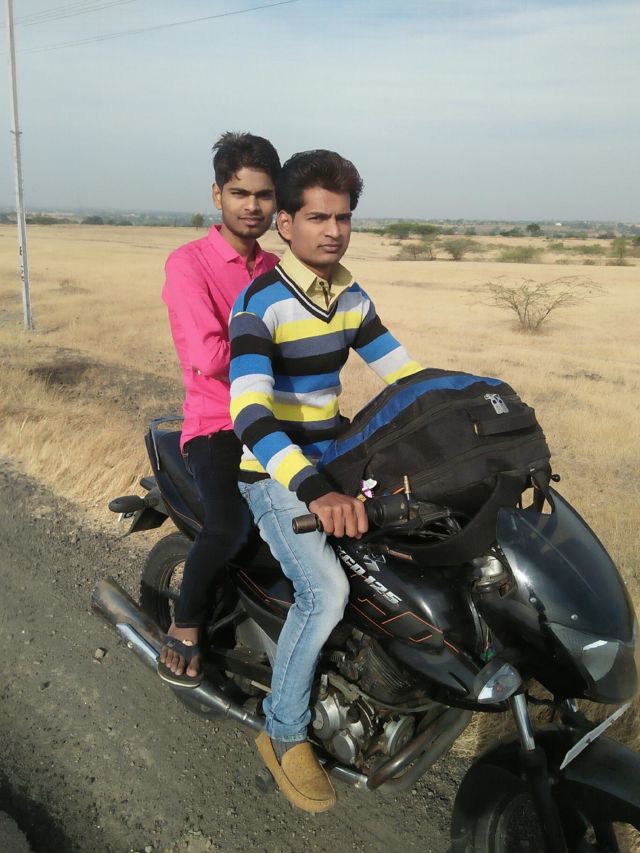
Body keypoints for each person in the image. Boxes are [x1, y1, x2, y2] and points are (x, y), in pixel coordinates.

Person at [228, 150, 421, 812]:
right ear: (284, 223)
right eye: (317, 217)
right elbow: (249, 414)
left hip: (336, 457)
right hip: (276, 470)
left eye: (343, 218)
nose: (333, 231)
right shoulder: (260, 304)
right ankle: (283, 732)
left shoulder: (350, 297)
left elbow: (407, 376)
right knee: (326, 590)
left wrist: (466, 411)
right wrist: (313, 488)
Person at [158, 132, 281, 687]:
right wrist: (282, 349)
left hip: (278, 421)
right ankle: (185, 623)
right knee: (230, 528)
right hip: (218, 426)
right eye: (240, 193)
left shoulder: (276, 267)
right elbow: (208, 357)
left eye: (263, 195)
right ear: (217, 195)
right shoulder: (190, 264)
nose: (252, 206)